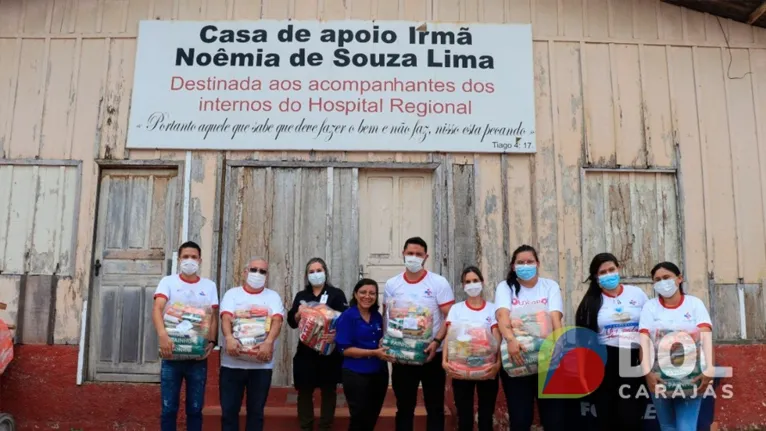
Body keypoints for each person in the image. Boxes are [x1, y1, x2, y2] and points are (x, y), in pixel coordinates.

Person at [384, 236, 455, 431]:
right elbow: (387, 316)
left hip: (431, 353)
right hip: (402, 355)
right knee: (404, 407)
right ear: (403, 254)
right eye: (410, 253)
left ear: (426, 257)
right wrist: (389, 345)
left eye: (418, 254)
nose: (414, 257)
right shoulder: (392, 284)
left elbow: (451, 317)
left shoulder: (438, 283)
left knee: (435, 407)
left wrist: (437, 341)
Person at [574, 253, 649, 430]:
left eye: (611, 270)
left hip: (632, 358)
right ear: (596, 276)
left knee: (631, 414)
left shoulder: (636, 294)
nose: (608, 274)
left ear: (618, 269)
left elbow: (649, 323)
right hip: (605, 360)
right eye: (603, 272)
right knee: (606, 414)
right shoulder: (590, 302)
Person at [494, 244, 565, 431]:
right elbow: (502, 316)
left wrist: (558, 344)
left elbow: (556, 319)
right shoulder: (505, 287)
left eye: (529, 261)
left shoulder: (549, 286)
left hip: (548, 359)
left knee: (554, 419)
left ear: (537, 263)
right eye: (520, 262)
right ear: (513, 266)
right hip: (517, 358)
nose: (525, 265)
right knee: (520, 419)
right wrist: (510, 340)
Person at [639, 262, 714, 431]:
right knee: (667, 426)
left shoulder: (694, 304)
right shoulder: (650, 307)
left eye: (666, 277)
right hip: (660, 376)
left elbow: (706, 337)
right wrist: (647, 373)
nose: (662, 282)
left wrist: (709, 369)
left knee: (686, 427)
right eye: (657, 280)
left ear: (679, 278)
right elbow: (644, 341)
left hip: (692, 376)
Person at [152, 241, 219, 431]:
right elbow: (157, 309)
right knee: (168, 408)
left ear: (200, 260)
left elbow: (213, 316)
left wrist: (212, 342)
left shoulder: (209, 285)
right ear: (179, 259)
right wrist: (163, 335)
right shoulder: (168, 282)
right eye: (185, 257)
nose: (190, 260)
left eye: (194, 257)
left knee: (195, 409)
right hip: (171, 354)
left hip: (197, 357)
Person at [219, 256, 285, 431]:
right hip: (231, 364)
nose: (258, 274)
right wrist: (229, 338)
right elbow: (226, 318)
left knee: (256, 414)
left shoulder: (273, 296)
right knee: (229, 413)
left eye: (262, 271)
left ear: (267, 275)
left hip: (261, 366)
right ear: (245, 272)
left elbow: (277, 321)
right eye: (254, 269)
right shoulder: (232, 294)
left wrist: (268, 342)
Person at [286, 257, 348, 431]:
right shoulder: (301, 296)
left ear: (325, 273)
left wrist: (335, 336)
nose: (315, 274)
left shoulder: (336, 294)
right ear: (307, 276)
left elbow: (344, 319)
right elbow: (291, 322)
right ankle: (306, 426)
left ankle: (325, 426)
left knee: (329, 391)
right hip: (306, 352)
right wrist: (298, 315)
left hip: (328, 352)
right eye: (311, 272)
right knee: (304, 391)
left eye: (319, 270)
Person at [442, 266, 501, 431]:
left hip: (487, 369)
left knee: (486, 414)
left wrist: (497, 364)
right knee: (464, 415)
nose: (472, 284)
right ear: (463, 285)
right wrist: (444, 361)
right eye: (467, 282)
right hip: (461, 368)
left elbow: (497, 337)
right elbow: (450, 335)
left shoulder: (492, 308)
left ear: (482, 282)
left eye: (475, 280)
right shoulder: (457, 309)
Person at [335, 278, 393, 431]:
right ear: (355, 294)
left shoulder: (377, 316)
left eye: (372, 293)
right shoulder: (347, 316)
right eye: (363, 292)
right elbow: (344, 349)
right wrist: (374, 352)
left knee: (372, 417)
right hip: (356, 374)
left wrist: (383, 343)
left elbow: (381, 339)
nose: (367, 296)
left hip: (378, 373)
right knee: (359, 418)